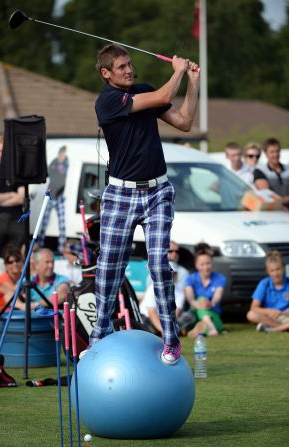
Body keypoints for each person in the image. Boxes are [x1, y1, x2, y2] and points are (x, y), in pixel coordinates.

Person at [82, 44, 199, 365]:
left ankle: (171, 338)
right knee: (109, 266)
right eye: (121, 67)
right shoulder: (107, 101)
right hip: (121, 194)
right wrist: (176, 70)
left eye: (130, 64)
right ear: (106, 73)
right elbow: (162, 97)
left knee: (160, 265)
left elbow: (185, 122)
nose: (129, 70)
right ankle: (99, 335)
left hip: (158, 192)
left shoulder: (144, 91)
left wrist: (192, 80)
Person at [140, 261, 196, 336]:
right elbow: (151, 312)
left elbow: (175, 313)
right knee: (143, 320)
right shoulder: (152, 289)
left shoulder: (180, 293)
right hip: (148, 318)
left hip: (165, 320)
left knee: (189, 316)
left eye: (173, 273)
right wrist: (163, 329)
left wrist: (167, 328)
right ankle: (172, 331)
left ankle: (165, 331)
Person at [0, 135, 25, 257]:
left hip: (16, 219)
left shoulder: (17, 173)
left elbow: (21, 198)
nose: (3, 154)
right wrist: (11, 194)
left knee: (14, 256)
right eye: (0, 151)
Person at [184, 244, 226, 337]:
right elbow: (190, 300)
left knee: (202, 301)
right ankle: (208, 328)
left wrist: (210, 304)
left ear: (212, 263)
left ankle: (203, 328)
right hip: (194, 314)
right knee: (201, 299)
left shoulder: (220, 278)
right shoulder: (190, 279)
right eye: (202, 264)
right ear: (196, 265)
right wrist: (200, 303)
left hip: (213, 313)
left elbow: (217, 297)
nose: (206, 267)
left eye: (208, 263)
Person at [246, 251, 289, 332]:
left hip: (285, 316)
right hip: (270, 317)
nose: (276, 274)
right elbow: (254, 307)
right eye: (272, 271)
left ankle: (272, 329)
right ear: (268, 272)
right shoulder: (264, 284)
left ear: (283, 268)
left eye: (278, 269)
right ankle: (282, 328)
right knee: (250, 314)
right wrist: (269, 311)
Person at [38, 145, 69, 254]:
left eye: (64, 154)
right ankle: (40, 245)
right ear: (59, 153)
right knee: (44, 220)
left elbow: (62, 172)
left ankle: (61, 249)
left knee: (62, 224)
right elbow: (49, 173)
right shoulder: (54, 162)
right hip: (50, 194)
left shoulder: (65, 163)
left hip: (59, 196)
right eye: (61, 153)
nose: (62, 156)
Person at [254, 138, 289, 208]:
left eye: (277, 151)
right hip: (272, 212)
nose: (275, 155)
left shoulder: (287, 169)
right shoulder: (260, 171)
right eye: (272, 152)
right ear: (265, 153)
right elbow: (267, 196)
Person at [0, 246, 26, 314]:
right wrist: (38, 304)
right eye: (10, 262)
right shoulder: (3, 279)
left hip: (16, 317)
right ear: (5, 265)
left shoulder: (25, 277)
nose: (14, 264)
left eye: (17, 260)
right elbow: (18, 304)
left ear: (22, 261)